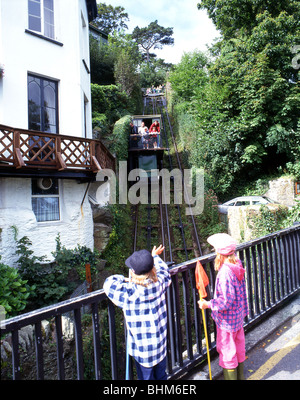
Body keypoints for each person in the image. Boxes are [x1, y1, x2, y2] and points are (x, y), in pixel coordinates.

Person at [103, 245, 171, 380]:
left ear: (133, 272)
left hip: (143, 351)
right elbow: (164, 270)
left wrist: (125, 278)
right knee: (161, 376)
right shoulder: (160, 283)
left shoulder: (129, 293)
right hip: (160, 347)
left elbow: (108, 283)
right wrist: (155, 256)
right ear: (153, 269)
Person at [198, 233, 248, 380]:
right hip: (238, 317)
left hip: (227, 321)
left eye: (215, 250)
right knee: (238, 348)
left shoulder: (225, 272)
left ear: (220, 253)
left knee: (227, 351)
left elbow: (226, 300)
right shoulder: (236, 264)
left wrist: (207, 304)